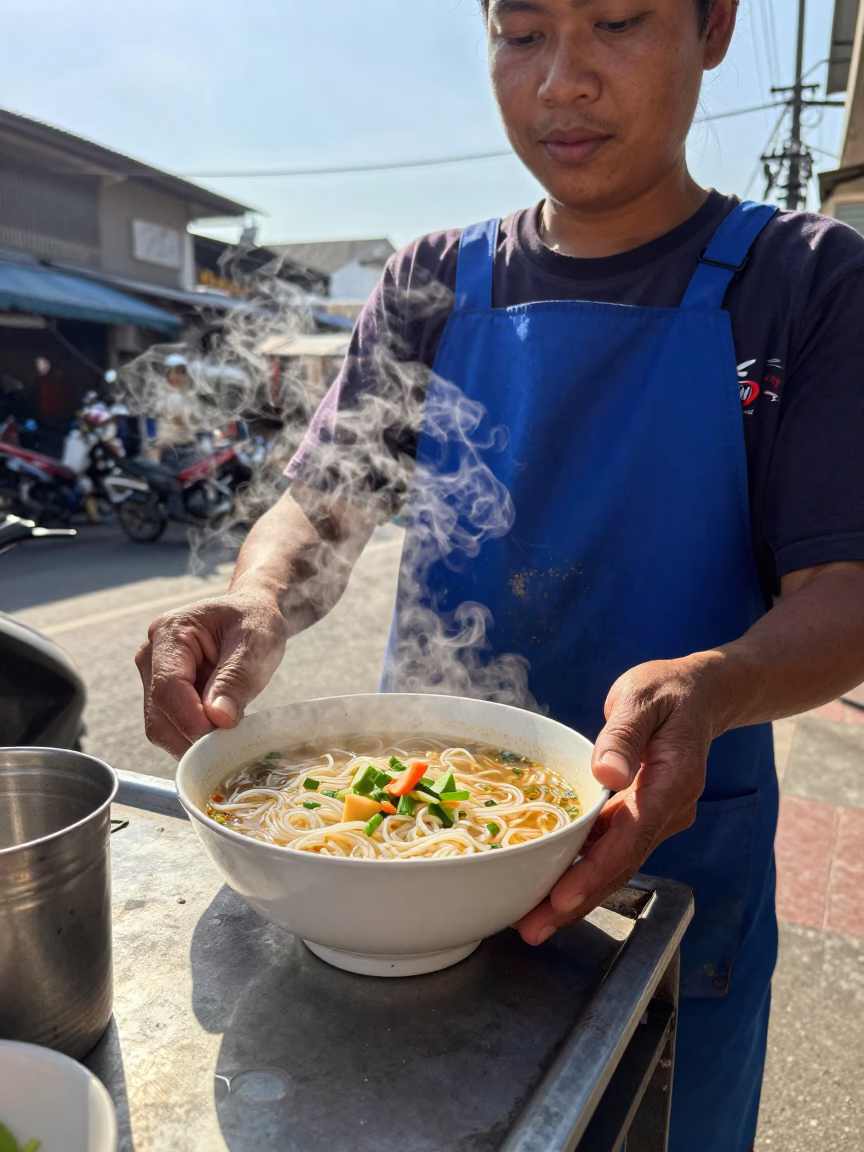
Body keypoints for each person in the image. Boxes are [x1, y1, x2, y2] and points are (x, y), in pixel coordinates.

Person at [136, 2, 864, 1148]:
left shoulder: (805, 282)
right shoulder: (433, 281)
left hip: (670, 867)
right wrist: (258, 601)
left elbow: (844, 591)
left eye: (616, 21)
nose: (561, 81)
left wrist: (713, 690)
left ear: (715, 25)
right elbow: (320, 510)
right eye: (521, 33)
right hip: (393, 870)